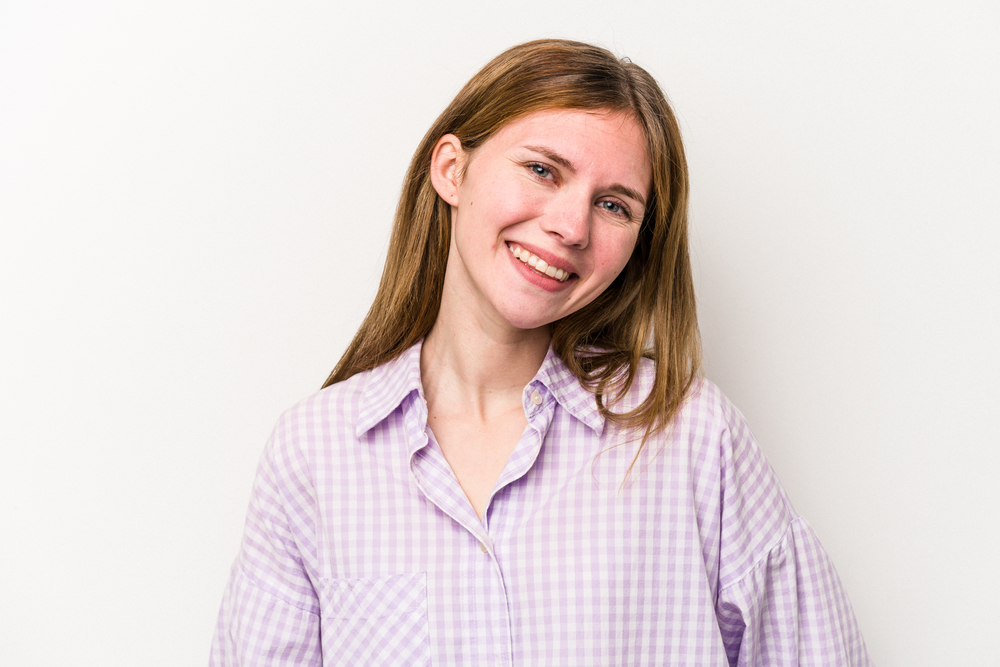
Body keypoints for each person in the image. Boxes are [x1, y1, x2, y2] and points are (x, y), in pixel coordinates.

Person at [210, 39, 871, 666]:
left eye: (614, 204)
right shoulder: (314, 454)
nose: (570, 226)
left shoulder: (691, 434)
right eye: (541, 169)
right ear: (452, 169)